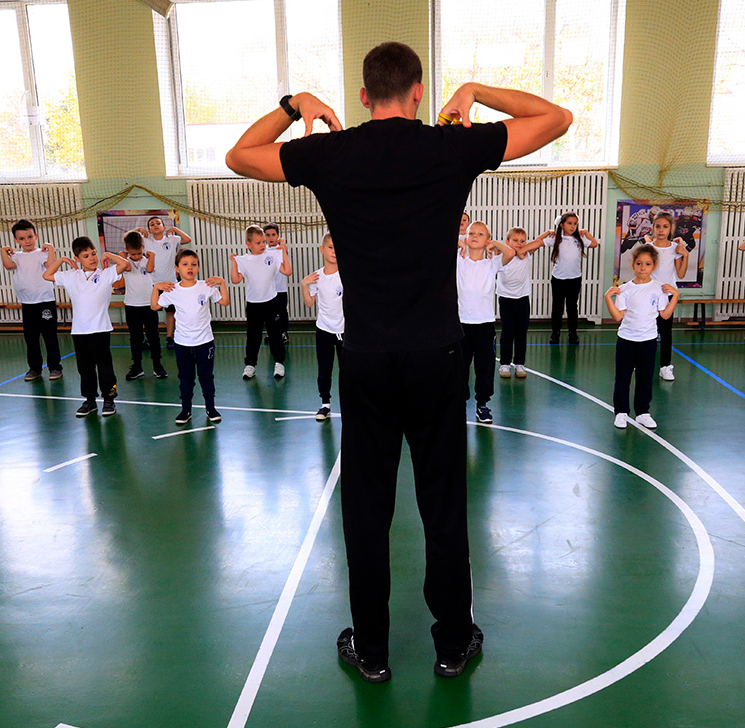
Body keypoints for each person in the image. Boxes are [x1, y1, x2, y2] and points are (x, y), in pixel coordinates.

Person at [225, 40, 571, 681]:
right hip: (437, 355)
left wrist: (294, 104)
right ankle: (452, 642)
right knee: (442, 504)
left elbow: (239, 156)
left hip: (366, 359)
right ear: (418, 91)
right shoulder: (449, 146)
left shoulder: (330, 151)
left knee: (366, 508)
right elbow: (556, 119)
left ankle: (374, 650)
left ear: (362, 96)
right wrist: (475, 92)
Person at [43, 238, 130, 417]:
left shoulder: (106, 274)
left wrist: (108, 255)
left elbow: (125, 264)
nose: (91, 258)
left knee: (105, 367)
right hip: (80, 332)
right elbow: (47, 275)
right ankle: (90, 400)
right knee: (85, 369)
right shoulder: (70, 276)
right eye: (85, 256)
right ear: (78, 258)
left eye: (93, 254)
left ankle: (109, 399)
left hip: (101, 330)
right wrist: (61, 261)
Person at [604, 243, 679, 429]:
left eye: (647, 264)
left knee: (645, 378)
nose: (643, 268)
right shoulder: (626, 289)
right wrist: (608, 298)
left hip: (648, 341)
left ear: (654, 265)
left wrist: (675, 296)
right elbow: (617, 316)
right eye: (639, 264)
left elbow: (665, 315)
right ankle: (621, 412)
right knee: (623, 377)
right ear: (633, 265)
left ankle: (643, 412)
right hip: (626, 340)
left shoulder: (659, 289)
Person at [152, 248, 229, 424]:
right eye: (185, 264)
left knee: (206, 377)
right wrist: (156, 287)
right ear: (177, 269)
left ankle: (211, 408)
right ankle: (186, 410)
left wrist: (222, 283)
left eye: (194, 264)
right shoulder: (173, 290)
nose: (190, 268)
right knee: (186, 379)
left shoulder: (205, 287)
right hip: (183, 344)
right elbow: (154, 306)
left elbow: (225, 301)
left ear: (198, 268)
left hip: (205, 342)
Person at [458, 221, 516, 423]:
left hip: (484, 325)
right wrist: (461, 242)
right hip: (460, 325)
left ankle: (482, 405)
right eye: (471, 233)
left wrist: (495, 243)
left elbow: (510, 253)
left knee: (485, 367)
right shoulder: (458, 260)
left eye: (480, 234)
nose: (474, 236)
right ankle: (459, 404)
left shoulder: (491, 264)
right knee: (459, 368)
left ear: (487, 240)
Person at [0, 219, 63, 381]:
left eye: (29, 237)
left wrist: (50, 248)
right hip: (27, 303)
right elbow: (8, 266)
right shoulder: (17, 257)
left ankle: (55, 367)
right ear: (16, 240)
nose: (26, 241)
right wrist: (2, 251)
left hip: (45, 301)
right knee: (31, 337)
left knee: (49, 336)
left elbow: (51, 265)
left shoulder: (41, 253)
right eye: (21, 238)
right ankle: (34, 368)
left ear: (35, 236)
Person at [230, 224, 290, 380]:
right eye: (258, 243)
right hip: (253, 304)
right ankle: (250, 365)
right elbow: (235, 280)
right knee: (253, 336)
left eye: (263, 241)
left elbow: (287, 271)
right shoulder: (244, 260)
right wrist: (234, 263)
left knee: (275, 334)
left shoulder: (272, 255)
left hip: (271, 302)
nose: (263, 245)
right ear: (249, 244)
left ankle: (279, 363)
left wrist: (284, 253)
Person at [634, 212, 688, 380]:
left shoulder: (675, 248)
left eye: (665, 226)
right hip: (649, 295)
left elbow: (681, 274)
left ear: (671, 228)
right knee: (644, 329)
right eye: (658, 226)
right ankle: (642, 362)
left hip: (667, 296)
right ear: (653, 228)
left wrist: (685, 254)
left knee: (666, 332)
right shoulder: (649, 248)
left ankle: (665, 366)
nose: (661, 230)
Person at [300, 233, 344, 421]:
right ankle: (325, 404)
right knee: (324, 370)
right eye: (330, 247)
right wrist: (303, 284)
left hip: (345, 332)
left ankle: (351, 405)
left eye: (337, 247)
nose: (334, 251)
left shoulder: (346, 275)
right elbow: (309, 302)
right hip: (324, 329)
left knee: (349, 371)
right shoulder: (317, 277)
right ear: (322, 249)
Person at [542, 212, 599, 344]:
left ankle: (572, 333)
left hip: (574, 278)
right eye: (569, 223)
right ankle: (555, 333)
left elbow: (594, 244)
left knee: (572, 307)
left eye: (575, 224)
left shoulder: (579, 238)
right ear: (562, 225)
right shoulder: (556, 238)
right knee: (557, 307)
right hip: (558, 279)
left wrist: (586, 232)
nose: (573, 226)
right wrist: (547, 232)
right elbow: (537, 242)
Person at [118, 230, 166, 381]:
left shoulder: (147, 260)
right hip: (132, 305)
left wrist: (152, 256)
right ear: (127, 250)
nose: (137, 256)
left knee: (154, 336)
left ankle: (157, 365)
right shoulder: (125, 262)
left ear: (143, 247)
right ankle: (137, 367)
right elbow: (127, 268)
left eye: (139, 253)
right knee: (135, 338)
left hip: (149, 304)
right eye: (133, 254)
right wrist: (123, 256)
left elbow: (150, 269)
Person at [138, 216, 192, 350]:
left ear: (163, 227)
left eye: (158, 223)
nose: (155, 225)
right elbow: (127, 239)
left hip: (170, 283)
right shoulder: (145, 241)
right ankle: (150, 337)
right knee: (151, 313)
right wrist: (138, 230)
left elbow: (187, 239)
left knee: (170, 312)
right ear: (149, 230)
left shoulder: (172, 240)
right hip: (152, 283)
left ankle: (169, 337)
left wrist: (175, 229)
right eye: (152, 224)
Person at [497, 226, 541, 379]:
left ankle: (519, 363)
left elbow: (538, 243)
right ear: (507, 242)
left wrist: (522, 250)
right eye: (515, 240)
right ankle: (504, 364)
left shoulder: (526, 254)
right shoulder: (502, 256)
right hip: (505, 299)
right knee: (507, 333)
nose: (519, 243)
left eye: (522, 241)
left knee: (521, 333)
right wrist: (514, 251)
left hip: (522, 299)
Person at [264, 223, 291, 345]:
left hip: (280, 289)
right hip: (268, 289)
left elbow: (284, 248)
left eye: (273, 235)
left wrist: (283, 242)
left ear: (278, 236)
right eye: (268, 235)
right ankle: (272, 334)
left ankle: (284, 333)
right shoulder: (262, 250)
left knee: (282, 312)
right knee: (269, 313)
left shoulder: (281, 249)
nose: (271, 238)